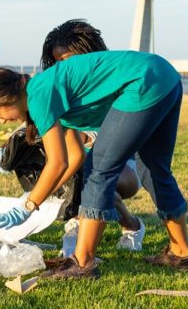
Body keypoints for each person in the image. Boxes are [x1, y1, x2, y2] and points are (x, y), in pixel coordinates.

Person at [0, 51, 188, 280]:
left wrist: (29, 205)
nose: (1, 120)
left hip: (142, 82)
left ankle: (82, 263)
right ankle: (181, 252)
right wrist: (34, 197)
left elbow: (57, 162)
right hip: (163, 75)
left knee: (99, 171)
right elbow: (74, 157)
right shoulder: (44, 88)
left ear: (8, 97)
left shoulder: (38, 95)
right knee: (155, 168)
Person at [39, 18, 157, 251]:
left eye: (70, 60)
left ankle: (131, 226)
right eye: (58, 62)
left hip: (124, 167)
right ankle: (80, 219)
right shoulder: (59, 93)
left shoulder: (118, 84)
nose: (65, 68)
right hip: (79, 167)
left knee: (99, 178)